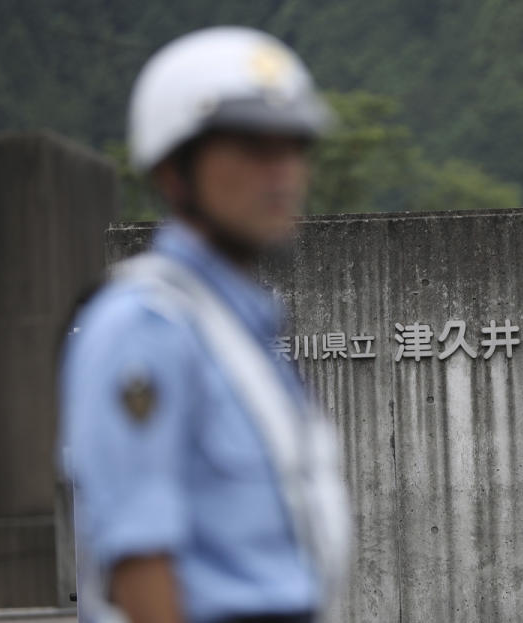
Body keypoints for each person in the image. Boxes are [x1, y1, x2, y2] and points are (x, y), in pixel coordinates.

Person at [58, 27, 351, 623]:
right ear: (174, 170)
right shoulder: (144, 326)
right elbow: (141, 562)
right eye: (251, 148)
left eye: (293, 147)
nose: (282, 173)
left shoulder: (239, 326)